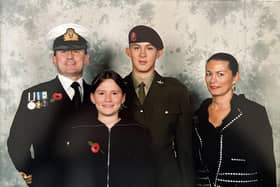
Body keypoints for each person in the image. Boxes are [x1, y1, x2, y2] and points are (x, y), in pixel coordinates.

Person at [7, 23, 94, 187]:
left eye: (76, 51)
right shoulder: (33, 96)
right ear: (54, 59)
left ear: (86, 58)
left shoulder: (100, 95)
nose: (70, 56)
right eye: (63, 51)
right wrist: (35, 177)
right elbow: (16, 143)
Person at [53, 70, 155, 187]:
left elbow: (147, 177)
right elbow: (66, 175)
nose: (108, 99)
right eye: (101, 93)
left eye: (114, 93)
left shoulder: (139, 132)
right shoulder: (78, 132)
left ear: (123, 98)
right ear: (92, 97)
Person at [122, 25, 193, 187]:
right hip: (127, 179)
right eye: (136, 48)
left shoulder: (176, 91)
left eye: (149, 48)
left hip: (166, 179)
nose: (142, 54)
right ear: (128, 52)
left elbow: (185, 149)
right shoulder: (115, 90)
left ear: (159, 53)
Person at [193, 52, 276, 186]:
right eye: (209, 73)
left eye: (220, 74)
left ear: (235, 77)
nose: (213, 80)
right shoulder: (197, 116)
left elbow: (266, 166)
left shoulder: (254, 113)